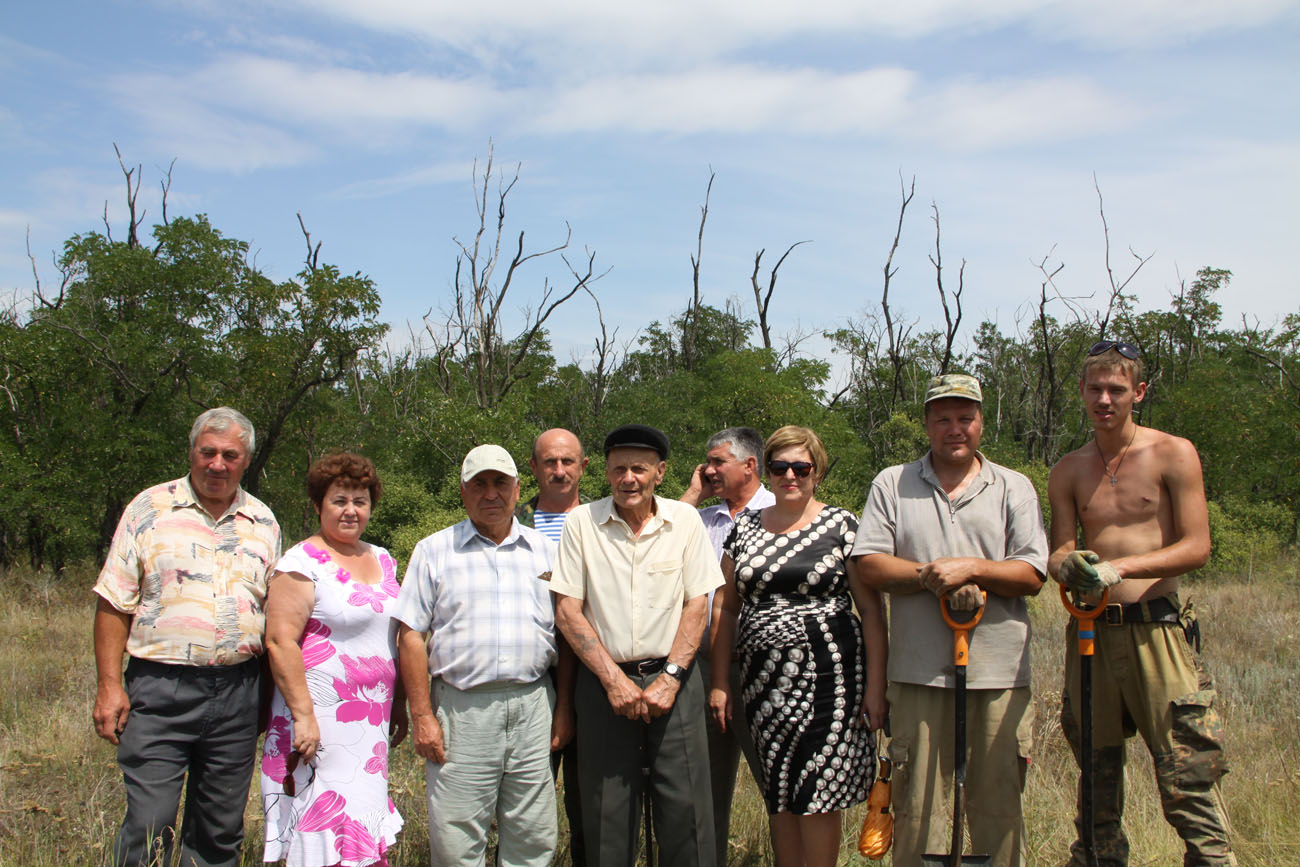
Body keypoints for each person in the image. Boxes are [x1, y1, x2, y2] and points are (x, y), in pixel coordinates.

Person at [1048, 341, 1235, 866]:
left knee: (1187, 772)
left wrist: (1122, 568)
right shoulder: (1068, 469)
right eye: (1095, 389)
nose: (1104, 399)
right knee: (1096, 777)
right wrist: (1067, 564)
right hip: (1091, 634)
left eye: (1116, 389)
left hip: (1158, 629)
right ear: (1082, 392)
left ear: (1140, 392)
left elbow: (1197, 546)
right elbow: (1058, 550)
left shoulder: (1173, 452)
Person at [852, 374, 1048, 867]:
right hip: (917, 673)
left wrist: (974, 569)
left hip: (999, 675)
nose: (955, 428)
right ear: (927, 424)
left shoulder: (1013, 487)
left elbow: (1031, 573)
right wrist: (931, 575)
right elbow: (869, 563)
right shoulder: (893, 483)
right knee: (917, 811)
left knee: (997, 807)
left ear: (981, 422)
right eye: (943, 419)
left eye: (965, 417)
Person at [93, 407, 282, 867]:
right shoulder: (149, 508)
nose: (218, 464)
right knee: (150, 822)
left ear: (246, 460)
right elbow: (114, 602)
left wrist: (268, 697)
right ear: (192, 452)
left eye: (230, 455)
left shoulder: (263, 521)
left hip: (238, 691)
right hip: (159, 688)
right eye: (208, 452)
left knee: (219, 828)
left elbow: (276, 615)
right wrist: (109, 686)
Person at [709, 425, 886, 867]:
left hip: (832, 679)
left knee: (818, 791)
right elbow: (725, 609)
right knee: (780, 788)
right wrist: (720, 682)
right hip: (762, 683)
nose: (790, 476)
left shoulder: (842, 525)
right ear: (766, 471)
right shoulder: (745, 528)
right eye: (780, 467)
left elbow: (871, 611)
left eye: (801, 468)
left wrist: (876, 688)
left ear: (817, 473)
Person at [550, 423, 722, 867]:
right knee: (607, 816)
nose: (629, 479)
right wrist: (613, 681)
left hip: (676, 682)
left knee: (687, 813)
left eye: (639, 469)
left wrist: (672, 678)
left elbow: (697, 604)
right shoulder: (581, 523)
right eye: (619, 469)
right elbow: (568, 610)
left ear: (660, 473)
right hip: (603, 685)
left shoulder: (684, 521)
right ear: (606, 472)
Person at [394, 444, 562, 867]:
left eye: (500, 483)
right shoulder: (434, 550)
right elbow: (410, 635)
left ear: (518, 488)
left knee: (532, 838)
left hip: (533, 705)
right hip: (461, 710)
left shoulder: (547, 551)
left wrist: (564, 712)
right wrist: (422, 715)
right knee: (456, 841)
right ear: (463, 492)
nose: (491, 494)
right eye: (479, 484)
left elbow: (568, 631)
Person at [259, 453, 406, 866]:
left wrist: (399, 703)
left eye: (360, 501)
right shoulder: (301, 564)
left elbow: (392, 637)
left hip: (368, 725)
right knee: (325, 827)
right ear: (318, 505)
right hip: (318, 723)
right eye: (339, 500)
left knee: (362, 819)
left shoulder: (383, 559)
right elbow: (280, 642)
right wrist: (304, 716)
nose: (350, 510)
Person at [680, 426, 775, 864]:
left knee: (778, 784)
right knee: (703, 788)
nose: (709, 469)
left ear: (750, 465)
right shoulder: (699, 521)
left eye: (718, 461)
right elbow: (657, 540)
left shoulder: (779, 513)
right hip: (703, 670)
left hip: (764, 670)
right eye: (708, 462)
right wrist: (692, 494)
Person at [515, 428, 587, 866]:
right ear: (534, 467)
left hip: (596, 675)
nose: (559, 471)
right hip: (532, 678)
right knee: (524, 805)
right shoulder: (511, 522)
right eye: (549, 462)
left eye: (567, 462)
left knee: (591, 801)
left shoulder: (604, 521)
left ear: (582, 466)